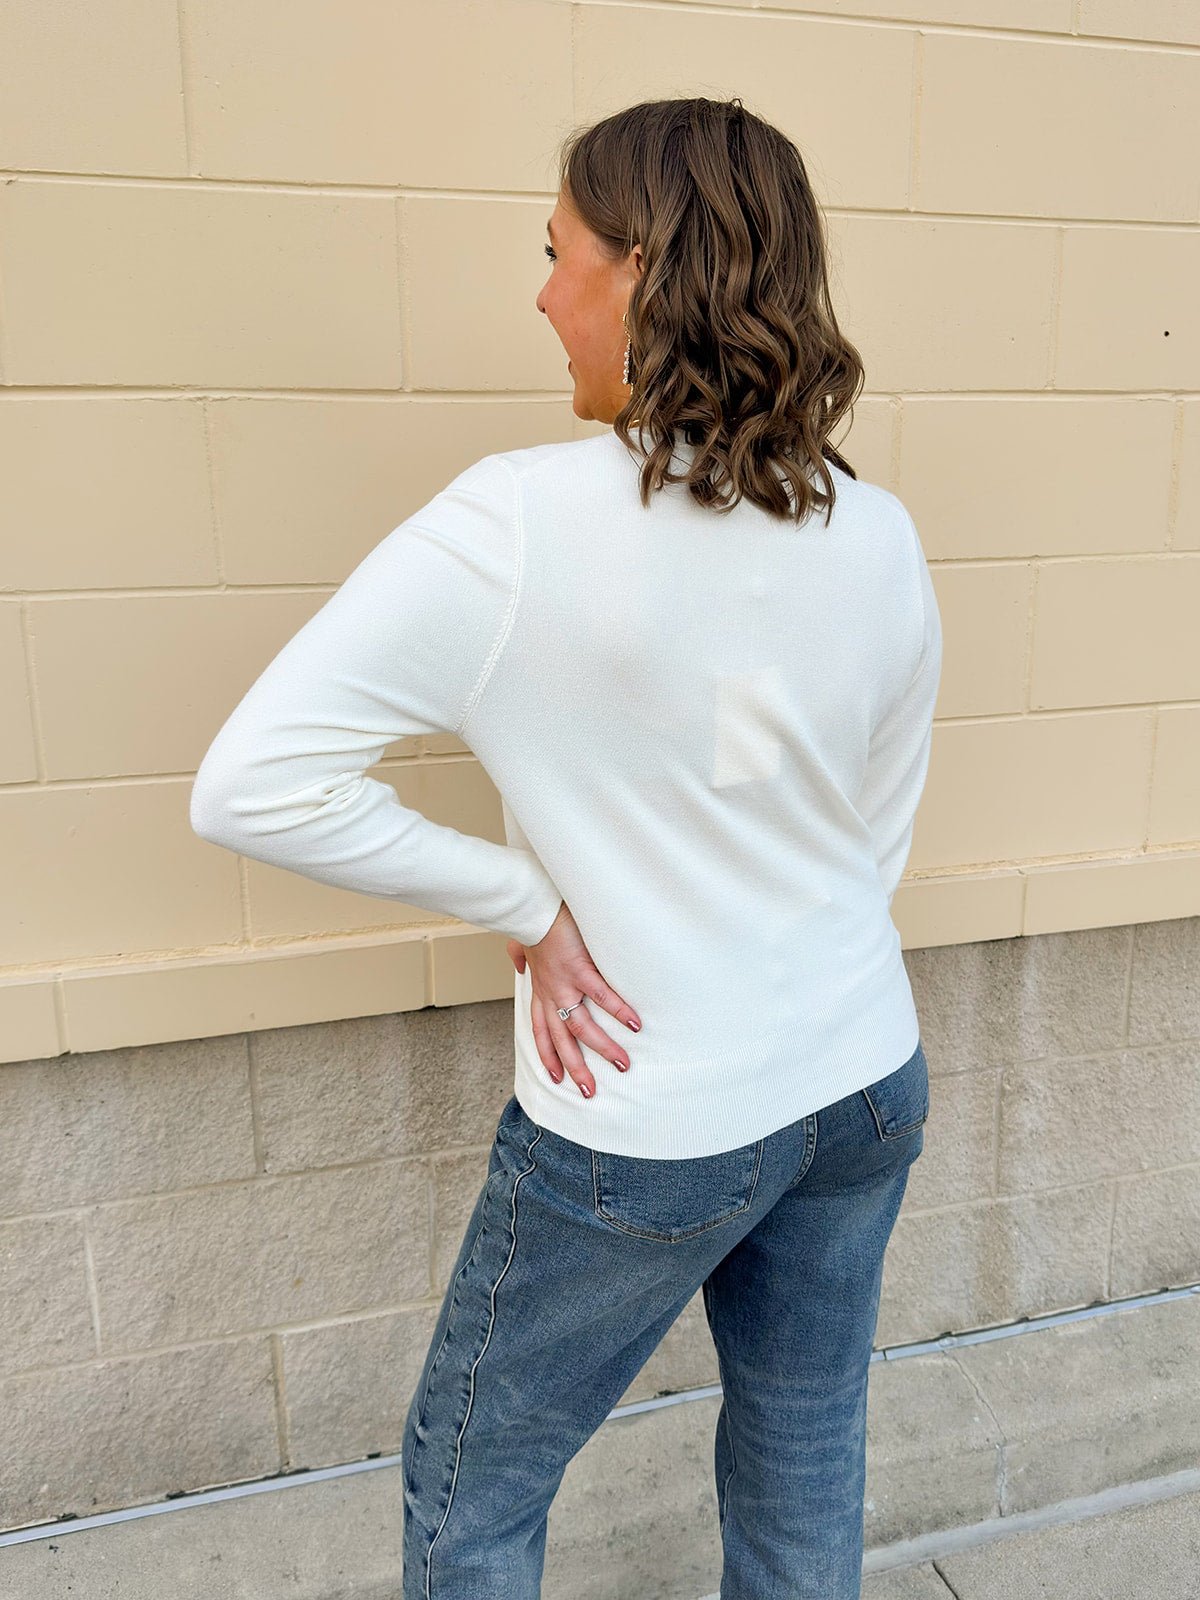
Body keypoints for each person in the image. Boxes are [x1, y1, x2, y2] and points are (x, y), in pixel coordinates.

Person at [190, 95, 942, 1600]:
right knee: (806, 1460)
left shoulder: (518, 526)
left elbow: (249, 784)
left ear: (644, 268)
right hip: (862, 1078)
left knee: (470, 1482)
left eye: (558, 252)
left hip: (647, 1111)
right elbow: (874, 837)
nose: (542, 294)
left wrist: (527, 905)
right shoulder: (876, 529)